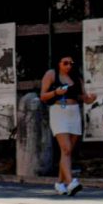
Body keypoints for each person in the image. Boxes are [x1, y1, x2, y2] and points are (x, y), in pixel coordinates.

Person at [39, 56, 84, 196]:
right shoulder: (51, 74)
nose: (68, 66)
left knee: (67, 151)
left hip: (74, 111)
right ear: (58, 63)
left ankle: (60, 183)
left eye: (71, 63)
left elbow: (83, 95)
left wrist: (90, 98)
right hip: (59, 111)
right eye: (65, 63)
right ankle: (71, 182)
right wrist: (56, 92)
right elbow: (43, 96)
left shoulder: (77, 77)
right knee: (66, 148)